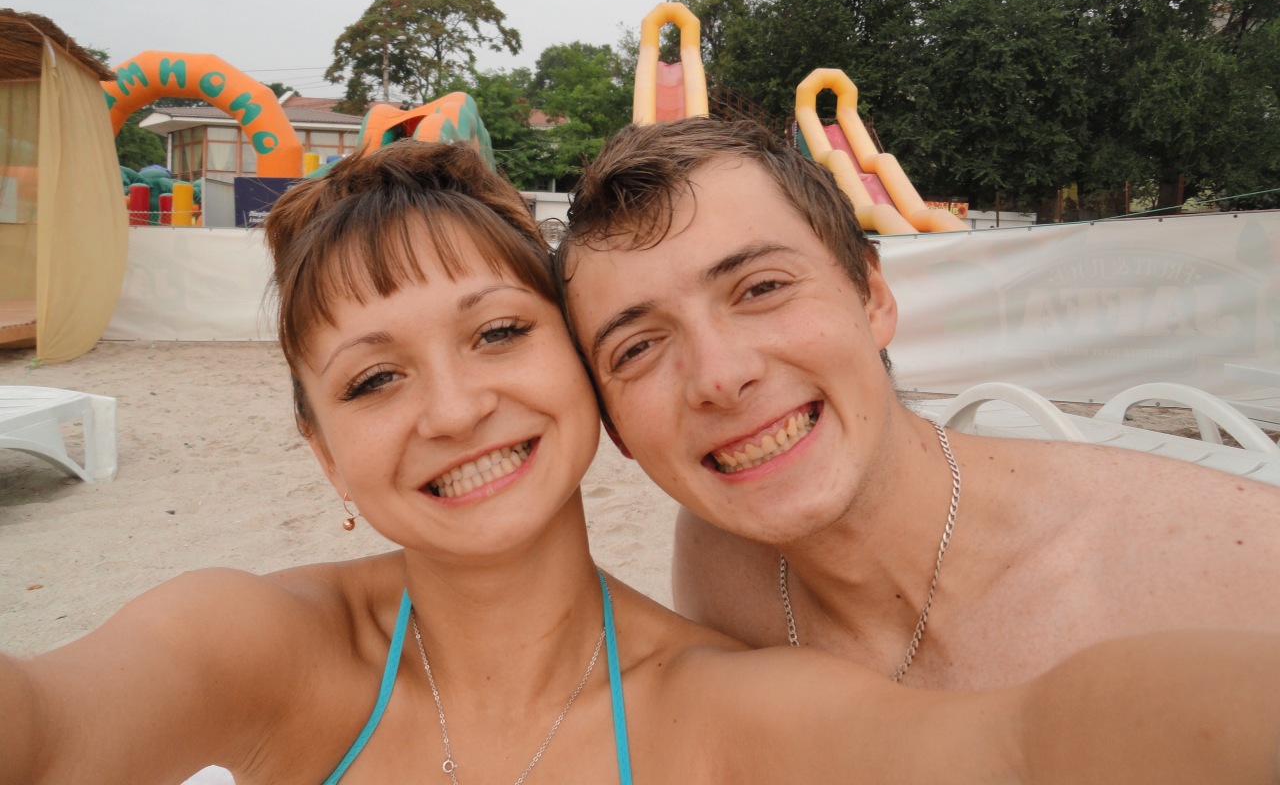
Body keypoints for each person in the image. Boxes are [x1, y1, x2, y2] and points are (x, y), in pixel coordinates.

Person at [5, 140, 1280, 785]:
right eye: (372, 380)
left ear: (577, 382)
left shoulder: (720, 699)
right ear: (323, 453)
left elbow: (1016, 746)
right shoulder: (258, 647)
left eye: (497, 334)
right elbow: (49, 727)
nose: (454, 408)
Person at [556, 116, 1280, 691]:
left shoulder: (1221, 579)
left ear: (873, 297)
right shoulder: (721, 563)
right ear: (615, 430)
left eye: (762, 288)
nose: (719, 376)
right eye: (638, 348)